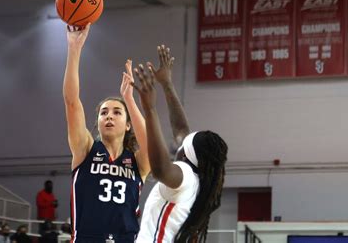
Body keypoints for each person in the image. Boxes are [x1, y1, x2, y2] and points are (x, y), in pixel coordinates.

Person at [63, 24, 150, 242]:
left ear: (128, 124)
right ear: (98, 121)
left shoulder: (137, 162)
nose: (109, 116)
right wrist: (74, 49)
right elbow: (72, 102)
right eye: (103, 113)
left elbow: (150, 143)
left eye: (117, 112)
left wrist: (129, 99)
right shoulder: (85, 149)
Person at [132, 45, 228, 243]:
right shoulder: (198, 181)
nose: (179, 143)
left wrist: (150, 109)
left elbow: (159, 170)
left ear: (185, 155)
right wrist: (167, 84)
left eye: (182, 146)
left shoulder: (183, 175)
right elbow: (181, 129)